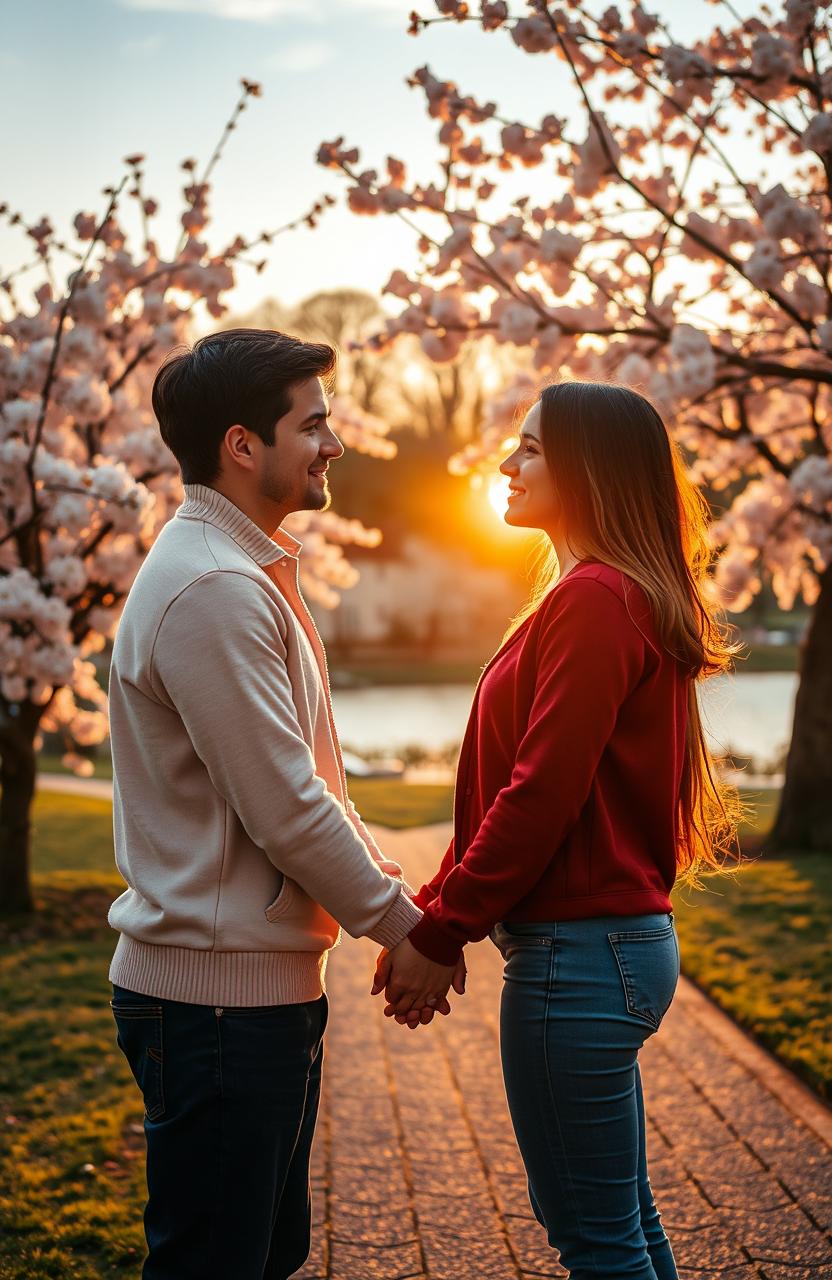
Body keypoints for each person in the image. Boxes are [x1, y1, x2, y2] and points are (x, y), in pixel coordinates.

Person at [374, 381, 739, 1279]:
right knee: (620, 1221)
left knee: (595, 1233)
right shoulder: (602, 595)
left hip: (579, 959)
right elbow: (507, 788)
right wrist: (434, 913)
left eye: (531, 449)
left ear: (589, 470)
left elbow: (541, 797)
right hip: (606, 951)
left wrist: (440, 928)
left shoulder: (596, 599)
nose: (507, 463)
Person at [107, 328, 431, 1280]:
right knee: (218, 1263)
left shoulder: (240, 567)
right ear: (243, 445)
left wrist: (388, 902)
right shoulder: (212, 585)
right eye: (314, 424)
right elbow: (285, 806)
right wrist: (401, 926)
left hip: (245, 996)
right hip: (215, 1006)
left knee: (264, 1252)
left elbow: (315, 785)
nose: (334, 444)